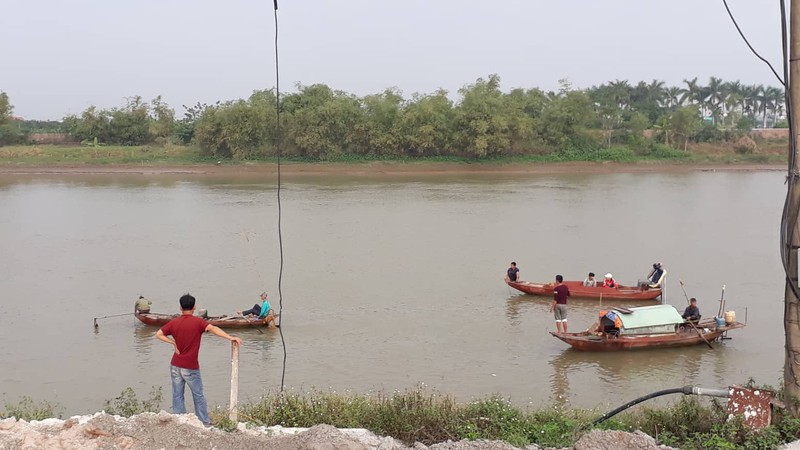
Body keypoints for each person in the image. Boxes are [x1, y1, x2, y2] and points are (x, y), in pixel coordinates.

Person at [156, 293, 242, 426]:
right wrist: (230, 337)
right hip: (190, 367)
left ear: (180, 307)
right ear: (194, 307)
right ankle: (204, 421)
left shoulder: (174, 323)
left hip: (175, 365)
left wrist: (173, 342)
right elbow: (214, 329)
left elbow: (159, 334)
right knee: (198, 395)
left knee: (177, 394)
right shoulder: (198, 322)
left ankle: (179, 421)